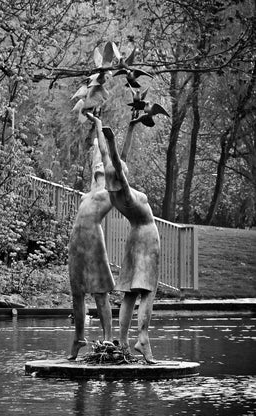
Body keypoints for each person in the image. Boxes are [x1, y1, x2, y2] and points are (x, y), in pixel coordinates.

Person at [89, 113, 161, 364]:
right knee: (148, 291)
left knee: (129, 293)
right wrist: (112, 140)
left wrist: (101, 126)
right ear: (122, 175)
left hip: (132, 238)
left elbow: (114, 159)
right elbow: (118, 161)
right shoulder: (128, 193)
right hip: (146, 237)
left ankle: (122, 340)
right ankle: (143, 337)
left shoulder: (113, 192)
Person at [67, 122, 115, 360]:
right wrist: (96, 141)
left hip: (94, 242)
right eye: (97, 172)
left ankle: (108, 338)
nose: (98, 174)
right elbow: (98, 156)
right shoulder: (88, 195)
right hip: (77, 244)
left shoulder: (109, 194)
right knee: (77, 292)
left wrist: (100, 133)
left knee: (100, 292)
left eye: (102, 172)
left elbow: (107, 156)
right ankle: (79, 338)